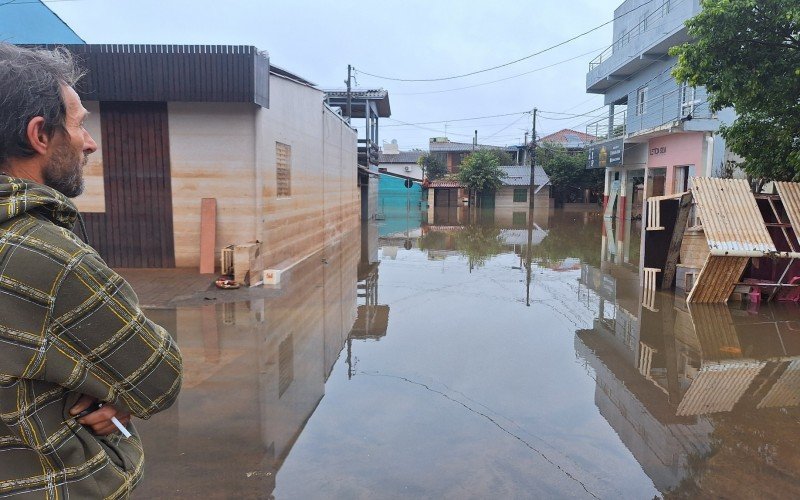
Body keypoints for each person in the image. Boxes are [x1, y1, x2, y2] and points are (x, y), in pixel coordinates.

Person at [0, 44, 183, 498]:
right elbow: (158, 377)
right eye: (79, 123)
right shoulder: (47, 257)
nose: (90, 142)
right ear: (40, 135)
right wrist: (112, 396)